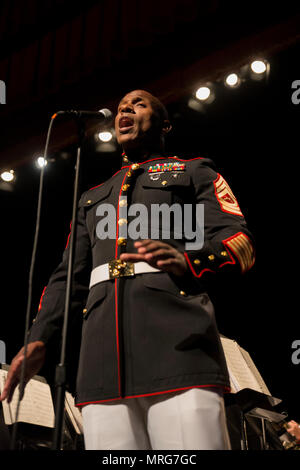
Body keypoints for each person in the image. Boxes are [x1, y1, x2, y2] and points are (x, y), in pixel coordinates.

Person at [0, 89, 255, 450]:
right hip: (101, 366)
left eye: (138, 104)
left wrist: (188, 260)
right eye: (121, 107)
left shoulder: (193, 171)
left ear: (164, 123)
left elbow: (239, 242)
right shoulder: (92, 198)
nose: (126, 110)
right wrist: (38, 338)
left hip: (178, 351)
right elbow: (67, 278)